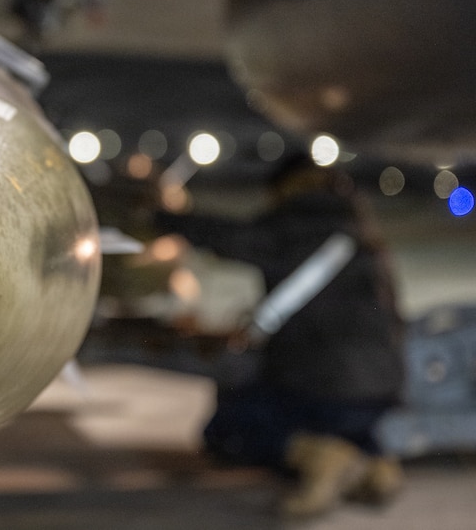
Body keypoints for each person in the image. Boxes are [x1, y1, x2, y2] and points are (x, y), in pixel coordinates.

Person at [159, 154, 406, 519]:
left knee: (230, 423)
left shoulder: (298, 221)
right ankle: (375, 464)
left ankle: (317, 457)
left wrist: (161, 218)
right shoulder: (360, 230)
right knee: (339, 415)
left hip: (326, 389)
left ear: (285, 187)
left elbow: (230, 238)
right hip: (382, 390)